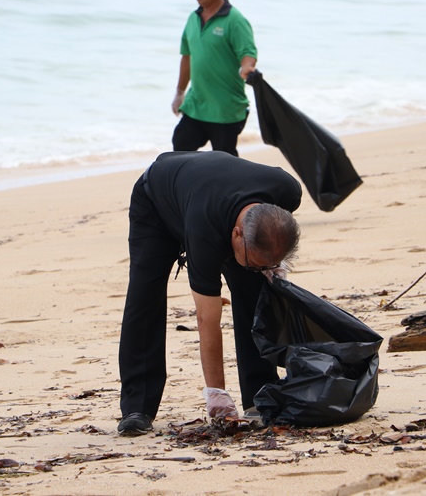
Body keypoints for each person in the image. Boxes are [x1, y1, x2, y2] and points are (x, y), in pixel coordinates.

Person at [117, 151, 302, 436]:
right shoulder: (205, 234)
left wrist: (271, 267)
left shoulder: (287, 190)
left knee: (255, 291)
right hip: (158, 199)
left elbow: (273, 238)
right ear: (237, 234)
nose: (259, 267)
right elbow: (207, 319)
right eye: (253, 260)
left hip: (207, 190)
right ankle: (137, 406)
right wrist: (216, 392)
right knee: (146, 292)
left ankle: (259, 396)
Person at [170, 0, 257, 157]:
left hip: (225, 110)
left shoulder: (235, 20)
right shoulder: (193, 19)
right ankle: (188, 187)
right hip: (197, 105)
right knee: (180, 147)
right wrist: (179, 92)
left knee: (225, 162)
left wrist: (246, 66)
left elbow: (248, 52)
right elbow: (187, 57)